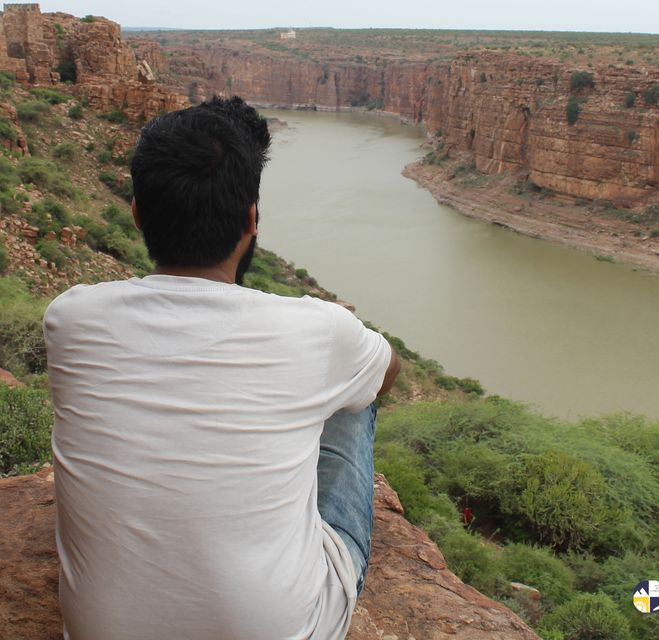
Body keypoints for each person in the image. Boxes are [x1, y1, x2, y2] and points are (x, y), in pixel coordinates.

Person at [43, 96, 400, 640]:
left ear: (137, 214)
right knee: (355, 397)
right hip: (291, 629)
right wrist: (331, 340)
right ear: (252, 220)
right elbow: (389, 372)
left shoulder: (70, 317)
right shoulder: (317, 330)